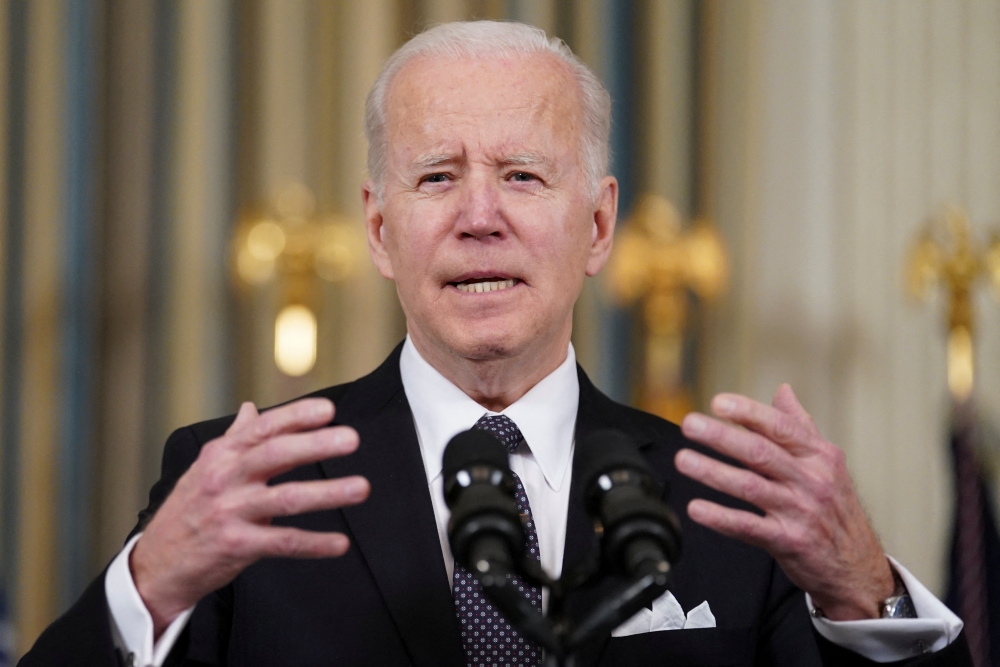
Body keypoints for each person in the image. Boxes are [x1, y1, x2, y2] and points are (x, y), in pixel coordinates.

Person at [22, 21, 970, 667]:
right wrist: (143, 589)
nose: (482, 217)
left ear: (597, 227)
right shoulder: (249, 485)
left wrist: (868, 597)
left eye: (523, 174)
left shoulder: (729, 501)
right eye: (437, 177)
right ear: (380, 226)